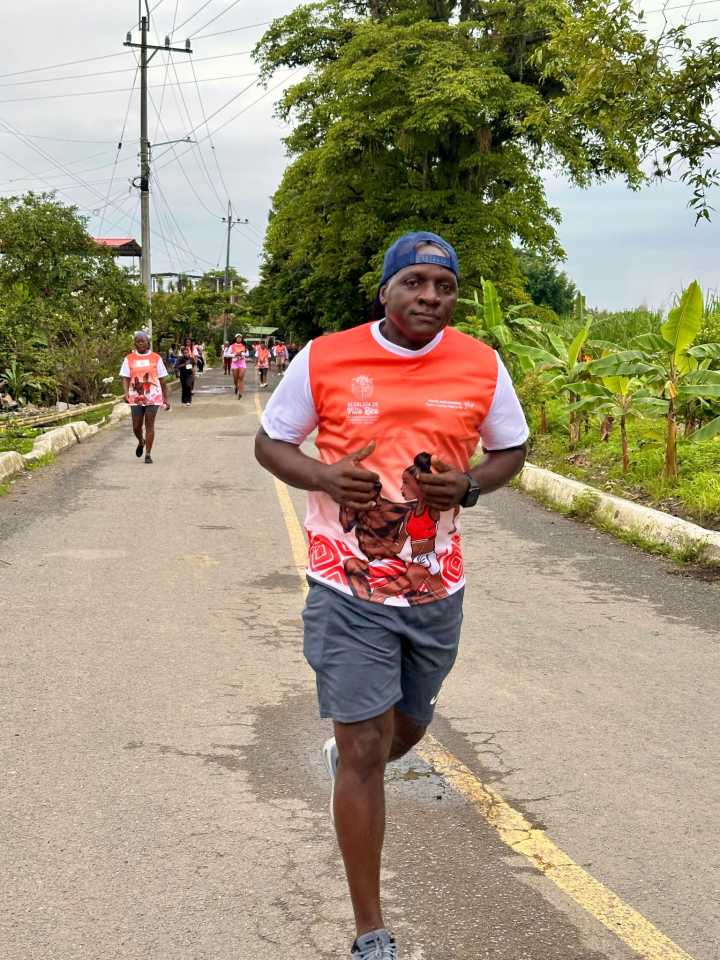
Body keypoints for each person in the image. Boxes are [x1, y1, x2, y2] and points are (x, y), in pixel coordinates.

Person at [255, 232, 529, 960]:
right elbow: (271, 441)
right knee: (366, 748)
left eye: (443, 286)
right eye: (414, 282)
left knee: (404, 730)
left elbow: (512, 450)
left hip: (436, 587)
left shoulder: (480, 363)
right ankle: (370, 932)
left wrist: (471, 486)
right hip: (344, 582)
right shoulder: (326, 356)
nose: (430, 297)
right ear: (385, 290)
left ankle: (353, 754)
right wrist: (321, 478)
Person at [120, 330, 170, 464]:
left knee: (149, 423)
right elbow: (125, 378)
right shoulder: (129, 358)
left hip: (153, 395)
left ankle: (148, 453)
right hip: (135, 395)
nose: (140, 343)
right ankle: (141, 441)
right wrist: (126, 393)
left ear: (148, 343)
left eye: (143, 341)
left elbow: (162, 380)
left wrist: (166, 398)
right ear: (135, 343)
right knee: (136, 426)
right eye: (138, 341)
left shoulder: (156, 358)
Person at [230, 334, 247, 398]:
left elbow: (247, 354)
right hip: (235, 363)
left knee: (241, 377)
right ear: (235, 338)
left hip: (242, 362)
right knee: (235, 378)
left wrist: (242, 354)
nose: (239, 339)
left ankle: (240, 393)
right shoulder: (232, 346)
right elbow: (227, 354)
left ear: (242, 339)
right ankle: (236, 386)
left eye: (240, 338)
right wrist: (235, 354)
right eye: (238, 338)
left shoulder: (244, 346)